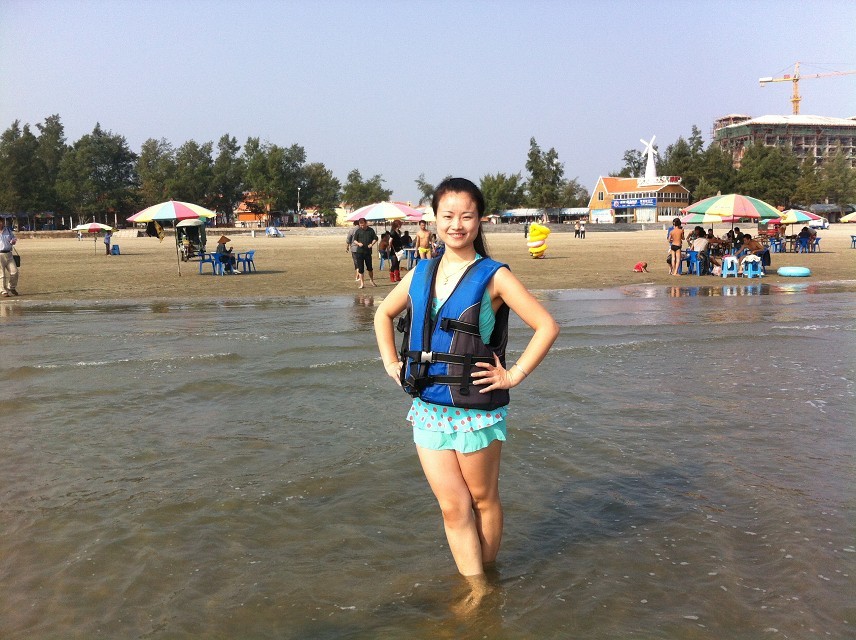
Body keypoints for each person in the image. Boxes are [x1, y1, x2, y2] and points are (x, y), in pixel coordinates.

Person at [374, 178, 560, 595]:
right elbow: (382, 314)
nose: (457, 225)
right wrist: (390, 362)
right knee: (451, 506)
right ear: (434, 219)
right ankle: (478, 589)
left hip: (476, 411)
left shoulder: (495, 276)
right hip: (428, 408)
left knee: (482, 499)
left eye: (467, 216)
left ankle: (486, 581)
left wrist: (513, 375)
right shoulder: (422, 271)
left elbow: (547, 326)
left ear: (480, 220)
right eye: (448, 216)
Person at [352, 218, 378, 288]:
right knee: (361, 269)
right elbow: (354, 240)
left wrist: (372, 244)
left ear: (365, 223)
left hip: (368, 252)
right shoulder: (358, 231)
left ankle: (371, 280)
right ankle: (362, 283)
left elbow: (375, 238)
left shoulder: (371, 230)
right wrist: (358, 243)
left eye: (363, 225)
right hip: (359, 252)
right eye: (360, 225)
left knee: (370, 268)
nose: (362, 226)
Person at [0, 217, 19, 296]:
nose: (1, 223)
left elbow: (13, 238)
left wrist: (13, 241)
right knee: (2, 274)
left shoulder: (7, 230)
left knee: (14, 272)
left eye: (1, 222)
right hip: (0, 254)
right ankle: (3, 291)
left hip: (9, 254)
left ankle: (11, 287)